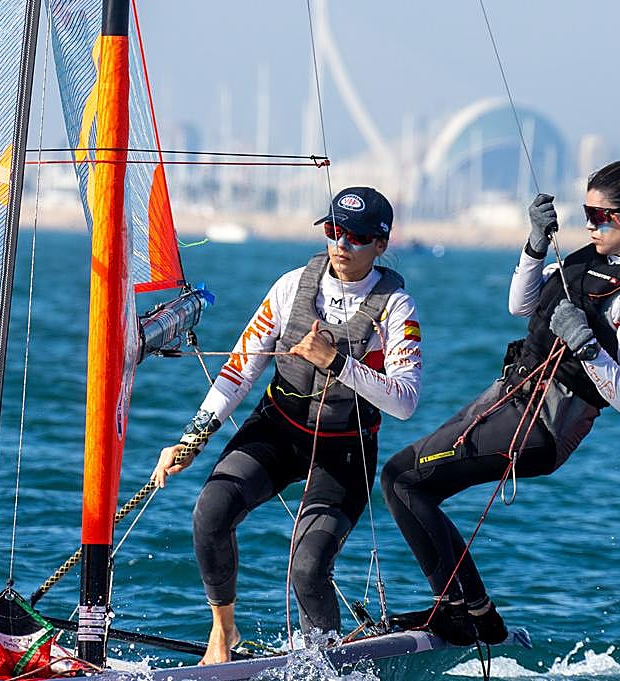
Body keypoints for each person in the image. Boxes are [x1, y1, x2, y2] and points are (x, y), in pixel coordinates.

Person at [381, 158, 620, 646]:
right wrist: (534, 245)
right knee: (409, 484)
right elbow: (520, 306)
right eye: (585, 213)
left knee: (404, 480)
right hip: (508, 398)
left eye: (599, 216)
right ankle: (475, 616)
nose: (589, 225)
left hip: (547, 425)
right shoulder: (591, 256)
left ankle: (464, 614)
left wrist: (587, 345)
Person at [152, 186, 423, 664]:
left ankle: (325, 664)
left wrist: (336, 362)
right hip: (279, 430)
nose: (341, 244)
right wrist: (191, 438)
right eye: (334, 230)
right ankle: (224, 633)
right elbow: (240, 368)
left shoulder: (396, 308)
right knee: (210, 512)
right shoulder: (292, 285)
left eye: (357, 236)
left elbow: (405, 402)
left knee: (307, 568)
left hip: (344, 449)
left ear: (381, 244)